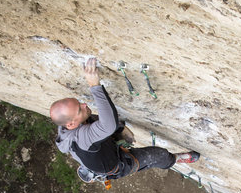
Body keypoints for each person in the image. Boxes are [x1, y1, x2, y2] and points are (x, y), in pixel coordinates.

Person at [50, 58, 200, 182]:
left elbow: (99, 122)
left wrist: (120, 129)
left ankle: (110, 145)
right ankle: (175, 159)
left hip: (102, 150)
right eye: (79, 109)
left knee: (113, 123)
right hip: (116, 164)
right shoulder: (81, 138)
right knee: (158, 155)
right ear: (71, 124)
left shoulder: (67, 124)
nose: (84, 104)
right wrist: (94, 86)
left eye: (79, 103)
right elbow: (107, 125)